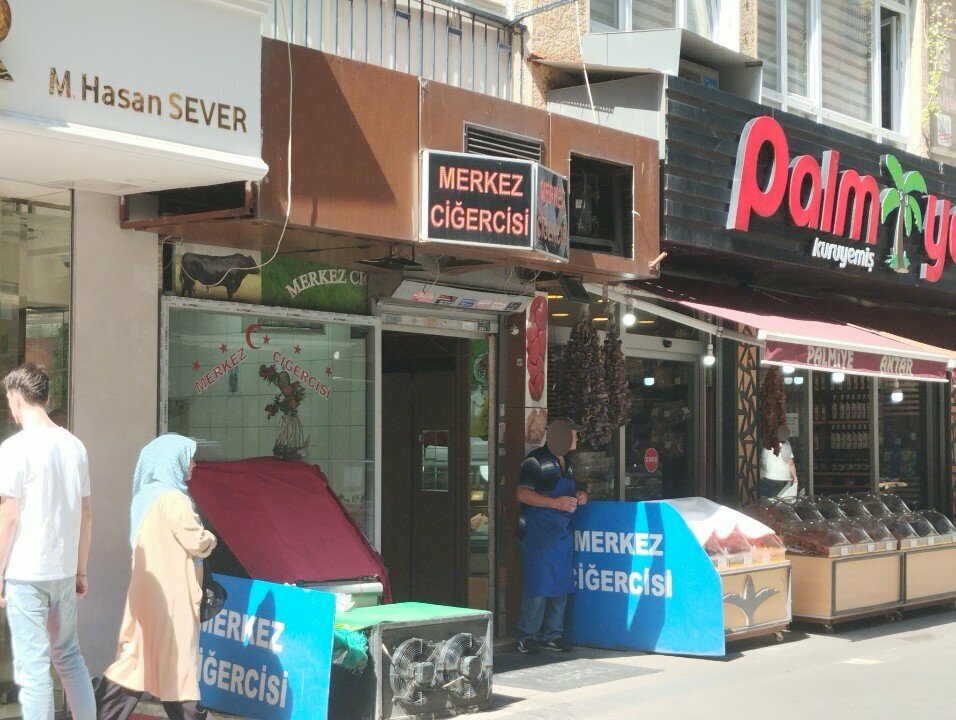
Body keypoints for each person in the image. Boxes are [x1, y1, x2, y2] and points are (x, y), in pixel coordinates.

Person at [95, 434, 217, 720]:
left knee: (136, 658)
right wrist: (211, 536)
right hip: (173, 594)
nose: (194, 464)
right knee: (176, 665)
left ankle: (100, 713)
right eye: (188, 458)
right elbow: (196, 541)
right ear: (171, 461)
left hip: (145, 591)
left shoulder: (143, 497)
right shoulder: (175, 499)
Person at [0, 363, 96, 720]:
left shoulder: (14, 448)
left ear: (16, 398)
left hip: (26, 572)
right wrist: (80, 569)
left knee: (34, 669)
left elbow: (8, 516)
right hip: (63, 571)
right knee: (70, 658)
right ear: (47, 398)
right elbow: (87, 515)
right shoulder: (75, 446)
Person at [515, 417, 588, 654]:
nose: (576, 438)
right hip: (537, 536)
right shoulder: (535, 460)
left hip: (560, 536)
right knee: (538, 588)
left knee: (560, 587)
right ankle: (527, 636)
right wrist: (555, 503)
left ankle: (552, 635)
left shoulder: (567, 463)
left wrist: (580, 494)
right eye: (573, 434)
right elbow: (523, 495)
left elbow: (569, 492)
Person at [760, 425, 799, 498]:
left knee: (771, 501)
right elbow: (791, 464)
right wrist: (795, 477)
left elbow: (763, 460)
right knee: (782, 502)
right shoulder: (785, 445)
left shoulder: (767, 444)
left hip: (768, 477)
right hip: (782, 478)